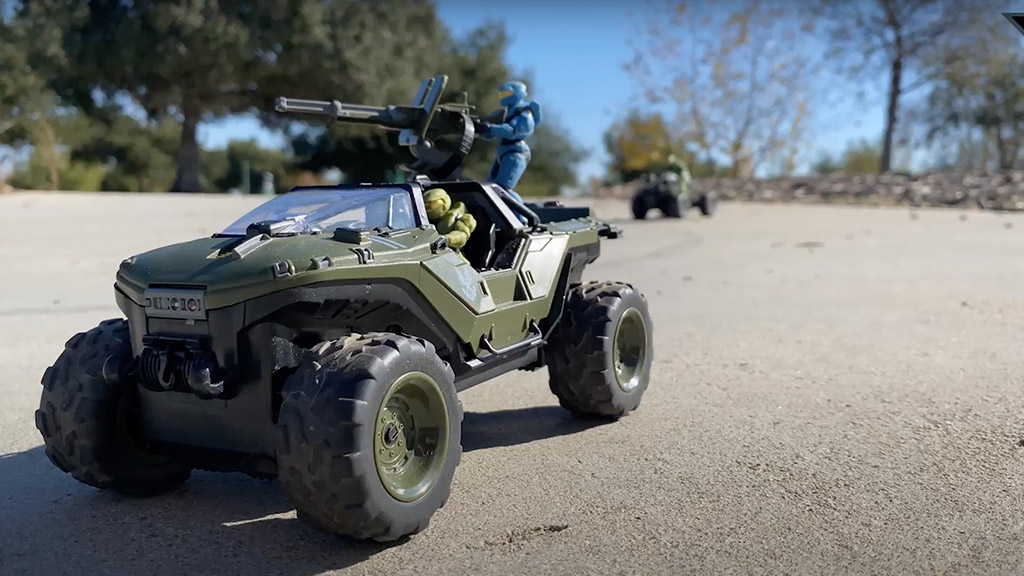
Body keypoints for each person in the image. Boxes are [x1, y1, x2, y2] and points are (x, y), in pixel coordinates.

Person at [478, 81, 542, 208]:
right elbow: (490, 133)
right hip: (503, 153)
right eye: (502, 94)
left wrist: (490, 128)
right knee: (490, 187)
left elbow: (513, 131)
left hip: (516, 154)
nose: (502, 96)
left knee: (504, 189)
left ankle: (521, 216)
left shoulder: (524, 113)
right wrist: (480, 128)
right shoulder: (505, 113)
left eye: (506, 93)